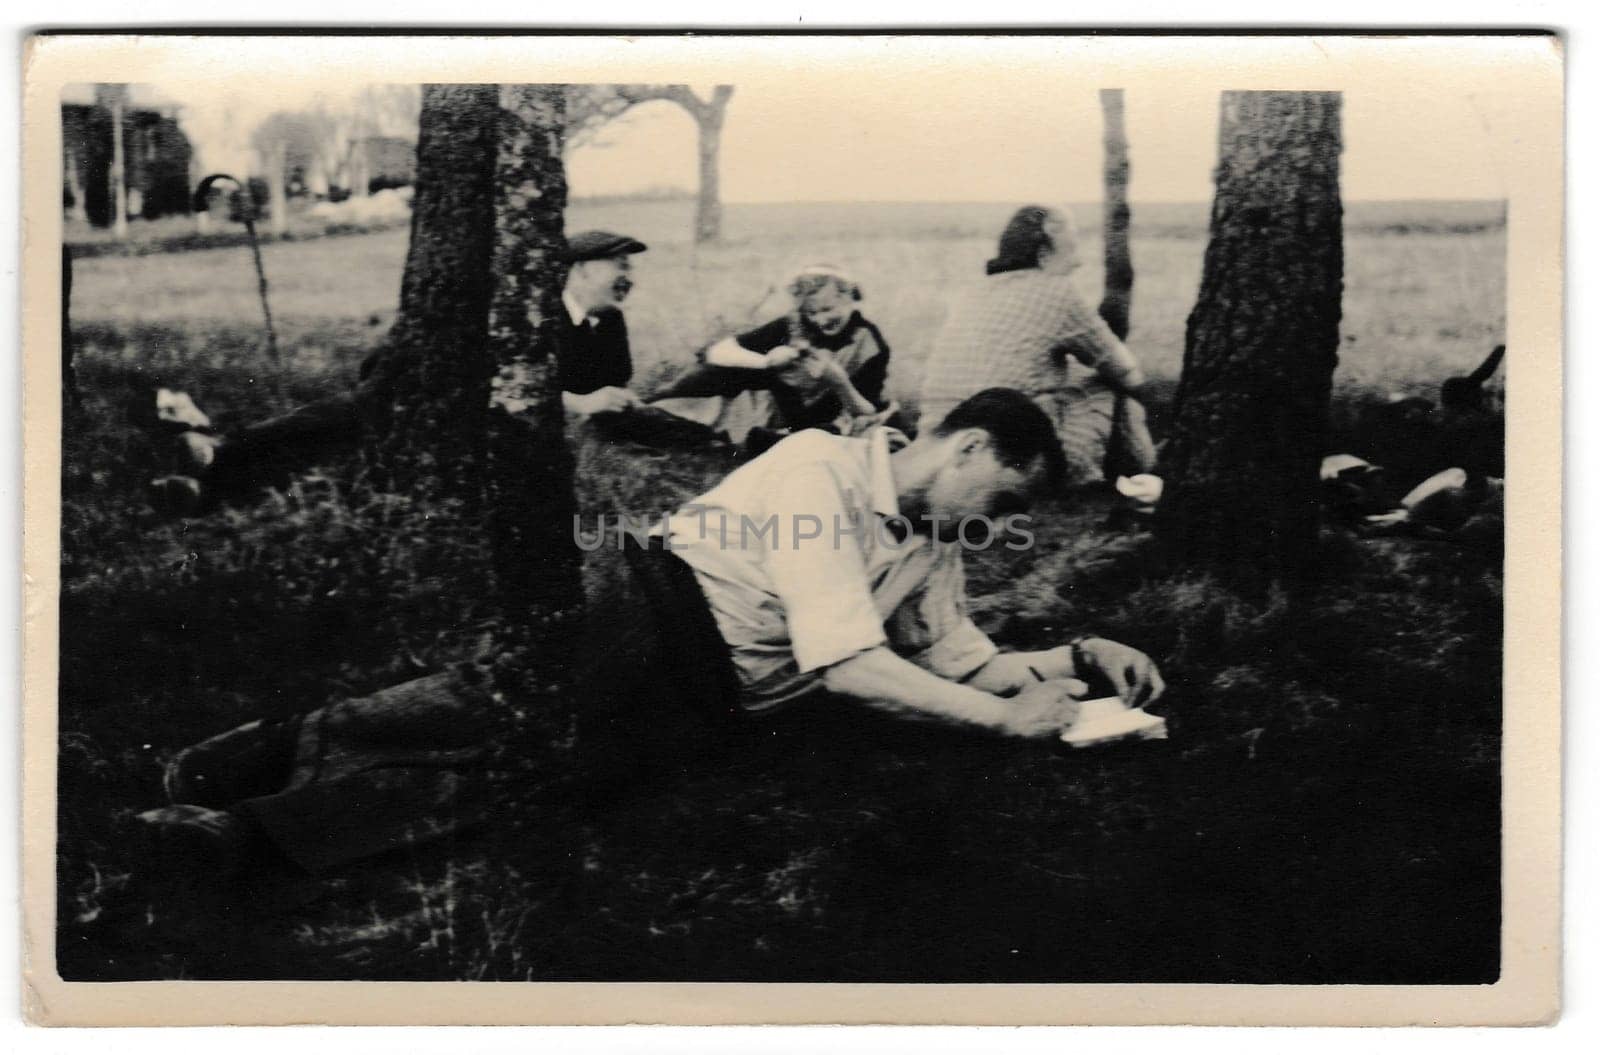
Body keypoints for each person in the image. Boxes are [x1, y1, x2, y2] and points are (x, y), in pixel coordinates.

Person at [583, 387, 1167, 773]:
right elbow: (849, 666)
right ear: (968, 448)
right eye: (1003, 501)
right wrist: (1008, 719)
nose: (999, 526)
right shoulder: (822, 470)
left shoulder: (936, 535)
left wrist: (1082, 657)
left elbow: (959, 667)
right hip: (651, 623)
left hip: (719, 699)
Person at [150, 230, 654, 509]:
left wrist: (608, 400)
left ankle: (205, 488)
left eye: (630, 269)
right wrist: (577, 401)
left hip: (484, 421)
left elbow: (612, 382)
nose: (628, 279)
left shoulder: (610, 324)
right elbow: (494, 378)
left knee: (343, 456)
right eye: (620, 268)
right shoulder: (531, 312)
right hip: (432, 383)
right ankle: (221, 451)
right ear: (583, 270)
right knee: (350, 420)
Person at [918, 205, 1158, 486]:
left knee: (1068, 382)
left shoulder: (973, 292)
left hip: (936, 444)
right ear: (1043, 254)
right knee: (1107, 385)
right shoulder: (1057, 292)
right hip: (1006, 455)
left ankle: (1135, 470)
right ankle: (1106, 475)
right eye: (1072, 251)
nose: (1078, 263)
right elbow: (1128, 373)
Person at [647, 264, 895, 446]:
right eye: (811, 313)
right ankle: (652, 407)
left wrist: (838, 381)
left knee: (841, 434)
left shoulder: (870, 344)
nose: (820, 320)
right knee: (710, 375)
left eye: (828, 309)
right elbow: (719, 351)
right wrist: (768, 361)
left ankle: (771, 441)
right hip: (765, 405)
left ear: (850, 296)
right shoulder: (794, 324)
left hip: (820, 419)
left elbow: (866, 412)